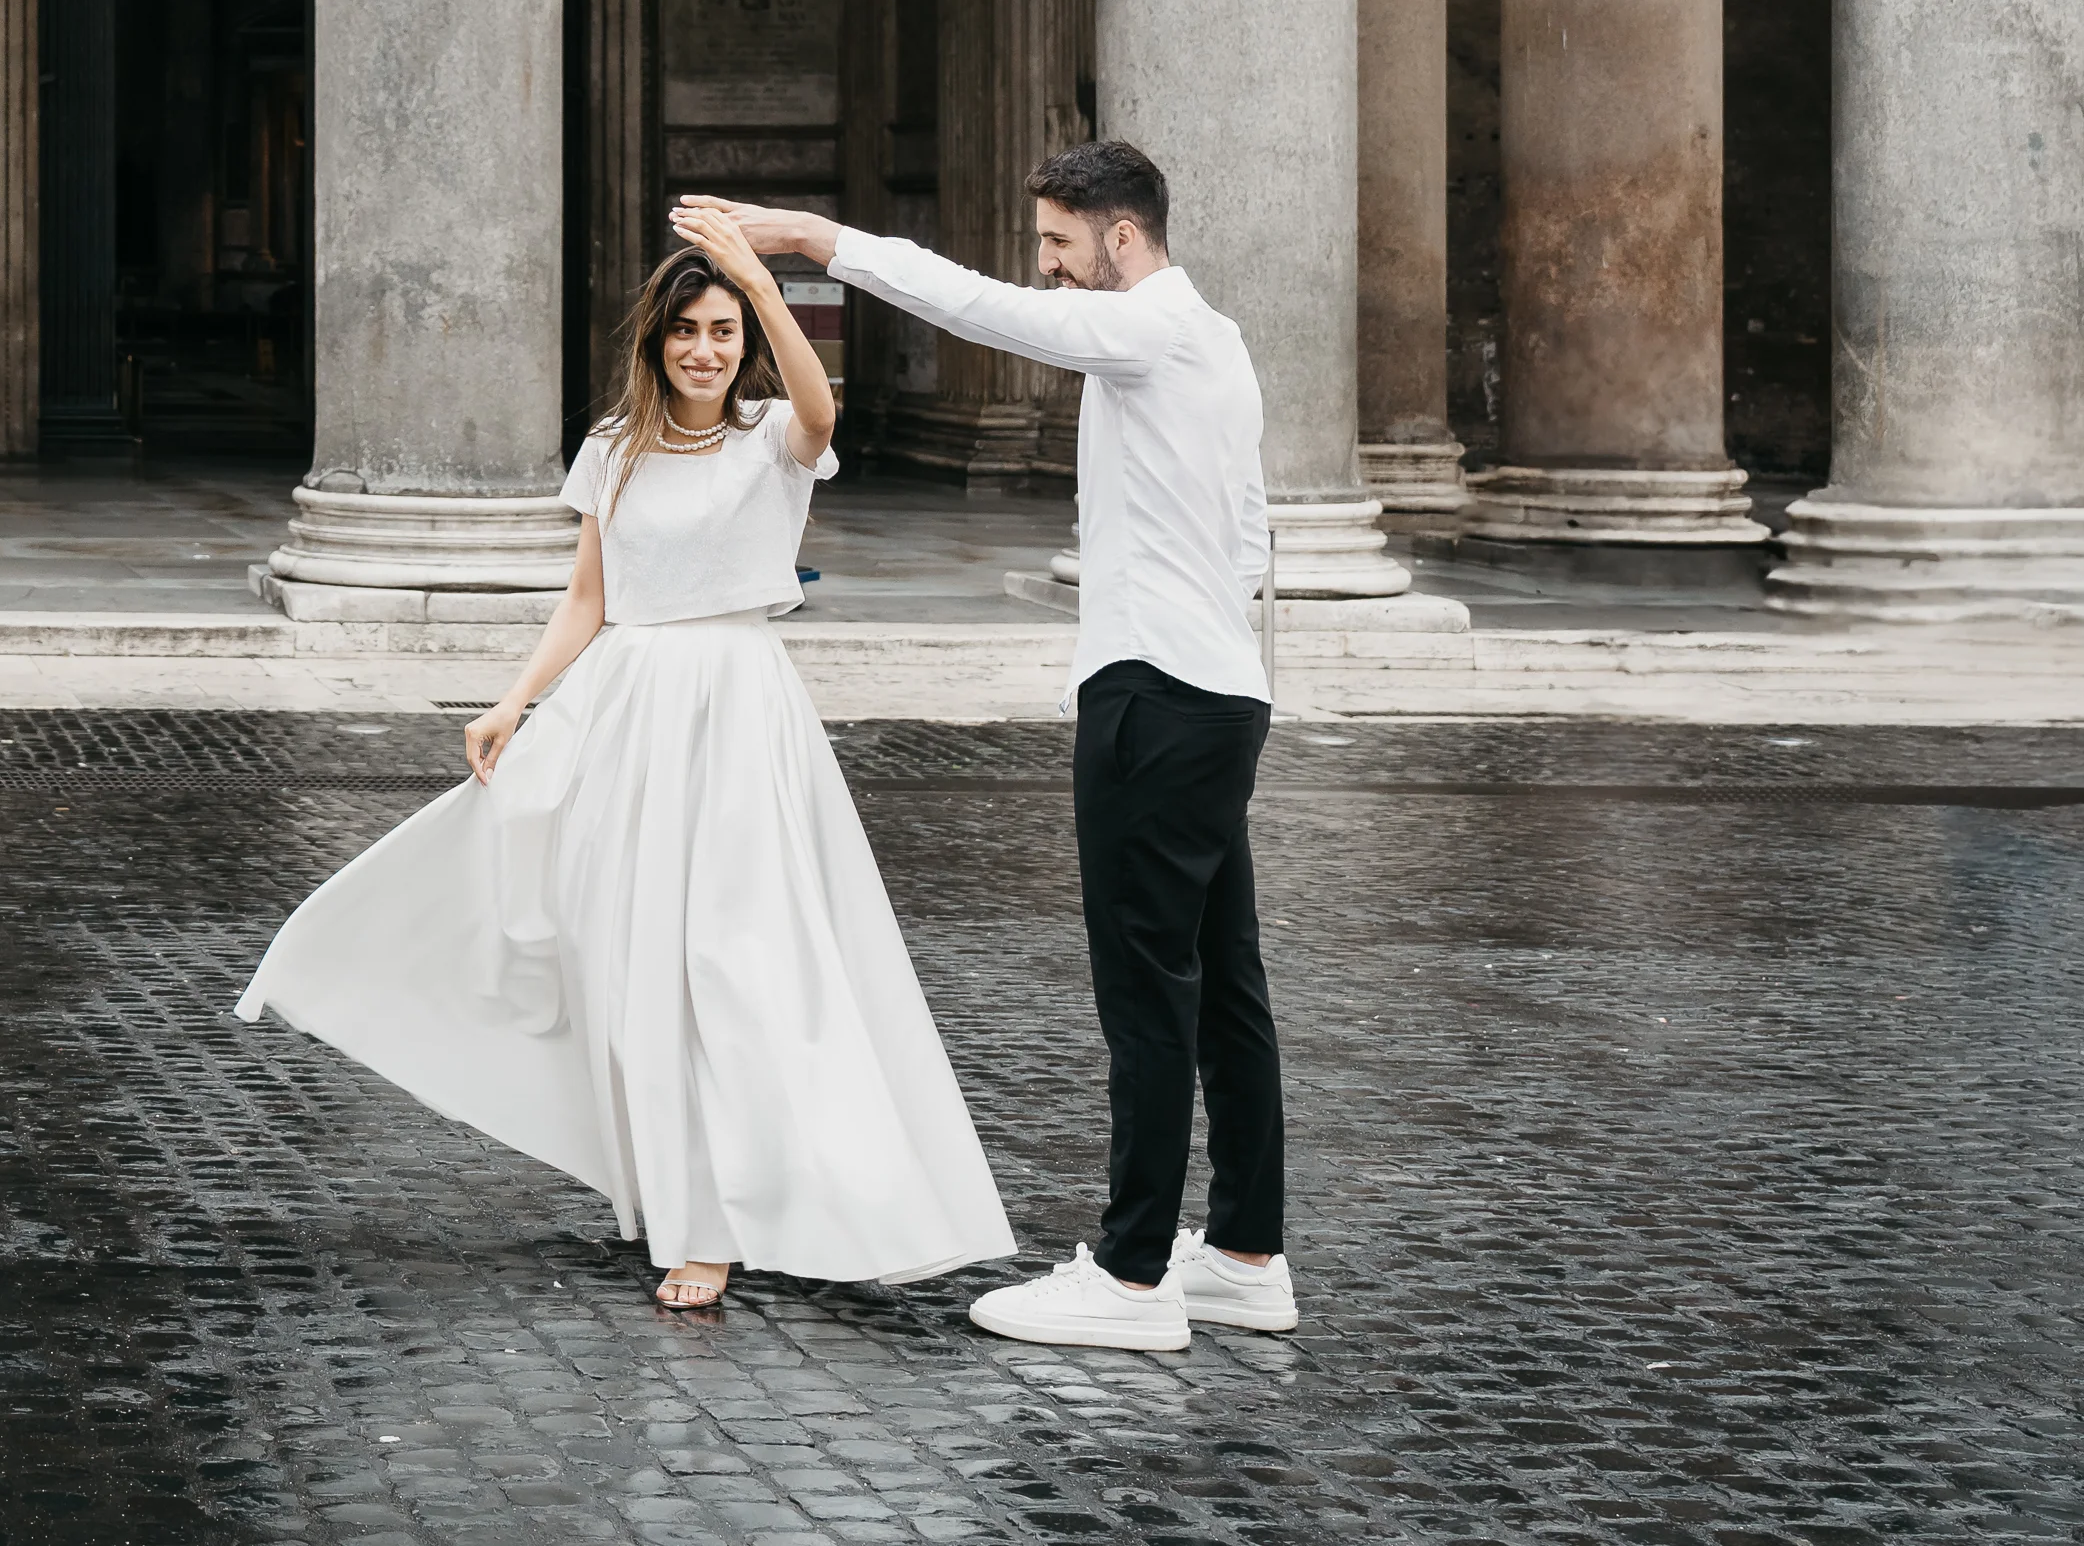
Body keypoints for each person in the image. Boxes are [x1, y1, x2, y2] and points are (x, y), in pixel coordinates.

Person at [233, 199, 1014, 1313]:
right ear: (656, 339)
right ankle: (678, 1189)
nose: (706, 347)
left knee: (737, 959)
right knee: (631, 956)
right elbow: (589, 600)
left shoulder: (771, 441)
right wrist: (511, 700)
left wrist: (757, 272)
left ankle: (724, 1220)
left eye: (724, 330)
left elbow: (818, 402)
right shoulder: (612, 448)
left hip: (740, 709)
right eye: (688, 328)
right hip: (628, 707)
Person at [716, 141, 1293, 1355]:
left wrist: (819, 240)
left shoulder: (1148, 330)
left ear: (1120, 238)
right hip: (1216, 691)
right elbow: (1248, 537)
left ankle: (1133, 1277)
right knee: (1224, 986)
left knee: (1147, 995)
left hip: (1155, 695)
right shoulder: (1217, 339)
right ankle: (1243, 1252)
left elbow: (976, 306)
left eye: (1056, 243)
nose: (1045, 266)